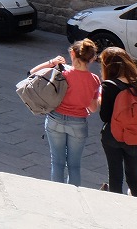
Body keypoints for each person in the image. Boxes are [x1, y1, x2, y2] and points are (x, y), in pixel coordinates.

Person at [29, 39, 100, 186]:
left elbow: (32, 73)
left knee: (57, 162)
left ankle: (58, 194)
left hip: (55, 119)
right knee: (74, 165)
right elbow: (93, 108)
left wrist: (52, 62)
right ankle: (73, 194)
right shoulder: (94, 80)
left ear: (72, 53)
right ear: (92, 58)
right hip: (78, 123)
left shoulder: (63, 72)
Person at [98, 47, 137, 196]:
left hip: (113, 137)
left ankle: (116, 207)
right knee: (133, 179)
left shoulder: (109, 86)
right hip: (136, 139)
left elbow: (105, 117)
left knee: (115, 177)